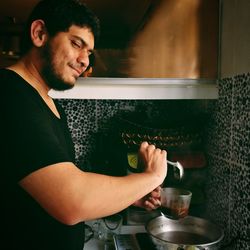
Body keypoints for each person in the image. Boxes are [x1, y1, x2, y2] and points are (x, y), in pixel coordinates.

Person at [0, 0, 167, 249]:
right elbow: (71, 200)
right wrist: (152, 176)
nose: (85, 61)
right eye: (77, 44)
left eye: (89, 52)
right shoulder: (9, 94)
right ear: (39, 34)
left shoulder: (50, 105)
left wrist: (130, 194)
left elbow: (58, 188)